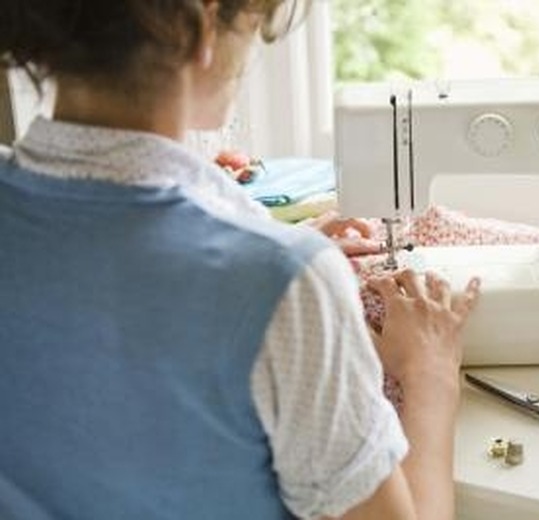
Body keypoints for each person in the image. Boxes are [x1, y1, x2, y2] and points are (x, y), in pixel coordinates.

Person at [0, 1, 481, 519]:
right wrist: (431, 376)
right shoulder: (281, 279)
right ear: (201, 25)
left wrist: (255, 237)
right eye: (258, 27)